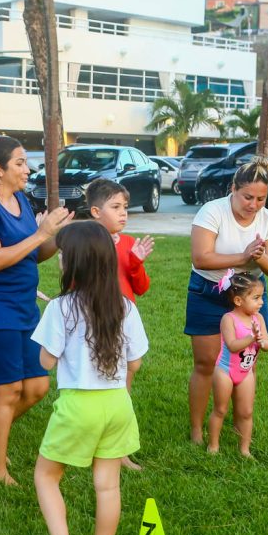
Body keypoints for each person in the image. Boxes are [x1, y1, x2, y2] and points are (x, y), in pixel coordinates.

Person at [25, 221, 148, 535]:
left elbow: (46, 361)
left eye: (63, 255)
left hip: (79, 406)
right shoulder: (125, 307)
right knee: (107, 486)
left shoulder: (60, 308)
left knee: (46, 476)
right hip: (118, 405)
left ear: (75, 263)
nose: (60, 261)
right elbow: (135, 361)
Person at [0, 137, 73, 485]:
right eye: (21, 163)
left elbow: (34, 254)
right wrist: (40, 234)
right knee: (7, 391)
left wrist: (56, 235)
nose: (28, 169)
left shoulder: (20, 200)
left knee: (37, 386)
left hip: (23, 307)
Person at [186, 156, 268, 446]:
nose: (253, 205)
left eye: (260, 199)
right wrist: (244, 256)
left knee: (246, 362)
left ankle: (239, 427)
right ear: (233, 188)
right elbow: (201, 257)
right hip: (209, 290)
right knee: (206, 363)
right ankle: (196, 430)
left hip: (250, 296)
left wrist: (259, 256)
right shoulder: (212, 211)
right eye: (247, 197)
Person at [85, 178, 155, 471]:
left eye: (125, 207)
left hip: (125, 323)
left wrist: (136, 263)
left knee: (124, 383)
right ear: (96, 212)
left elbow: (141, 288)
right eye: (115, 207)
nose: (123, 213)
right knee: (96, 384)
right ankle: (91, 441)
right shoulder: (87, 242)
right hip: (97, 324)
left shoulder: (128, 243)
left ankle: (119, 450)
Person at [207, 271, 268, 458]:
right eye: (256, 298)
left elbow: (267, 344)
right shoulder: (229, 319)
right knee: (220, 409)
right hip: (225, 371)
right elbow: (233, 346)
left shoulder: (258, 319)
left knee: (246, 412)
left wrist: (262, 342)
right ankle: (213, 445)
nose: (261, 302)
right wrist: (251, 337)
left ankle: (244, 449)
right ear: (238, 301)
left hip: (246, 372)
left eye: (262, 297)